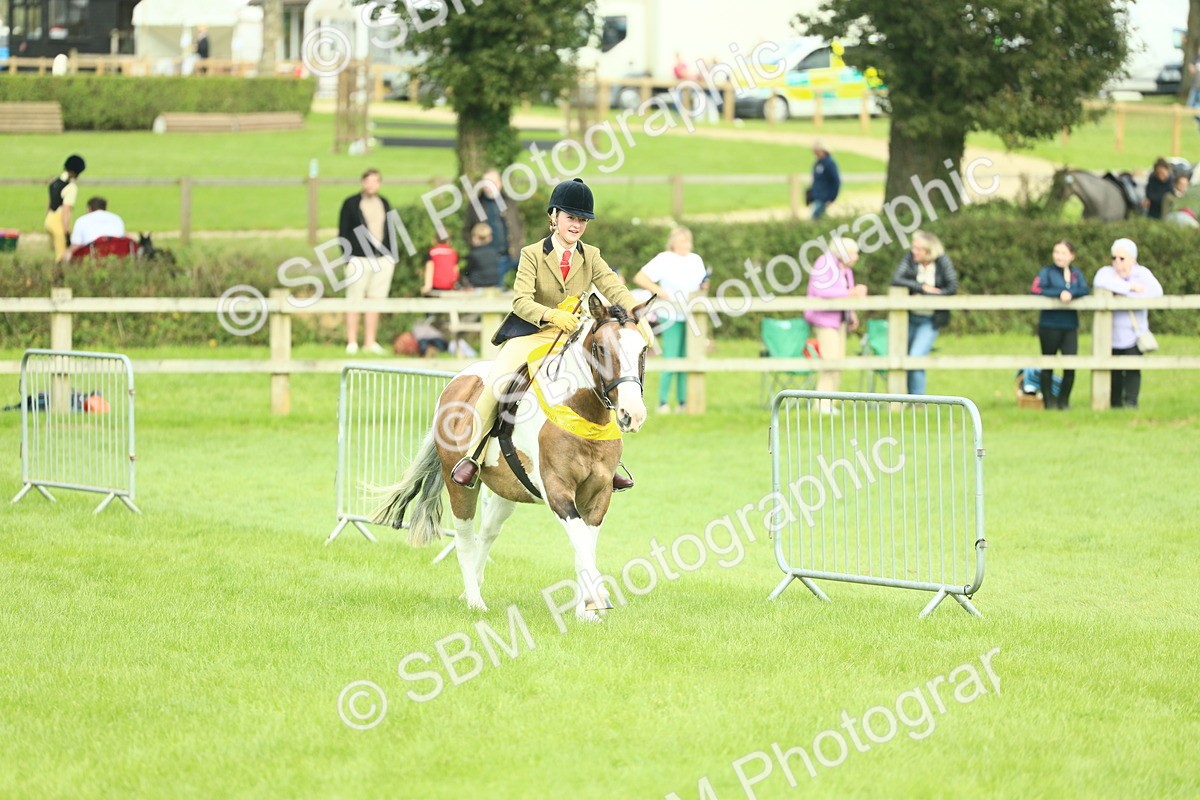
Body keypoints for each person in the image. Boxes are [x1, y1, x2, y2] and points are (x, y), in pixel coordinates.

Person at [450, 177, 642, 491]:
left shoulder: (590, 255)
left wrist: (639, 312)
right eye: (571, 218)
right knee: (497, 384)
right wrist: (552, 315)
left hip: (573, 339)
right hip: (534, 335)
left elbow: (614, 288)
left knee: (607, 383)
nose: (577, 225)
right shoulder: (531, 254)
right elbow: (520, 301)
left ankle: (612, 462)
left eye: (582, 220)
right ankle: (473, 454)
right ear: (553, 216)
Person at [633, 226, 708, 414]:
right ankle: (663, 401)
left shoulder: (695, 259)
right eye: (682, 241)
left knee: (688, 358)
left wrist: (705, 285)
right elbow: (641, 278)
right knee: (671, 357)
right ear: (674, 242)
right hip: (671, 314)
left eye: (688, 241)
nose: (686, 245)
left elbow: (702, 283)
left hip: (691, 315)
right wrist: (661, 293)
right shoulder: (664, 259)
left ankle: (683, 402)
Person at [1093, 238, 1163, 409]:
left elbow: (1156, 292)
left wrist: (1123, 296)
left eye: (1122, 259)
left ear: (1132, 259)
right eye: (1114, 258)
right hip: (1110, 335)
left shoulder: (1143, 273)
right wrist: (1130, 287)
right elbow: (1099, 282)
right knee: (1114, 371)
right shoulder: (1106, 272)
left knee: (1132, 369)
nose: (1117, 262)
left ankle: (1131, 403)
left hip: (1134, 333)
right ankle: (1115, 404)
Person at [890, 230, 959, 395]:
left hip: (930, 320)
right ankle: (906, 399)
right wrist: (921, 287)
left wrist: (930, 295)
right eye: (914, 247)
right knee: (903, 358)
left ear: (929, 251)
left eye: (918, 248)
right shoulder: (909, 259)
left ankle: (917, 402)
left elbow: (952, 287)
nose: (914, 251)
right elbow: (896, 279)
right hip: (908, 318)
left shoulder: (942, 262)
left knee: (915, 358)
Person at [805, 237, 867, 413]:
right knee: (830, 361)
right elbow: (822, 290)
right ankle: (822, 404)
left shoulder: (845, 269)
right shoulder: (823, 263)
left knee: (838, 362)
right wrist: (851, 293)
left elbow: (847, 294)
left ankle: (831, 402)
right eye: (854, 253)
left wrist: (851, 312)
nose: (856, 257)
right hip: (824, 320)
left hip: (839, 320)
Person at [338, 169, 396, 355]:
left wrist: (391, 256)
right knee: (354, 300)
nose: (372, 184)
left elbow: (390, 230)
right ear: (362, 182)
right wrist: (348, 258)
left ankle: (370, 342)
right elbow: (343, 232)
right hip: (358, 258)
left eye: (375, 181)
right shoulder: (351, 203)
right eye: (368, 181)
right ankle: (352, 342)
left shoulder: (384, 202)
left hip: (382, 259)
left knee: (375, 300)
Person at [1030, 240, 1089, 410]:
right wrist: (1058, 294)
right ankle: (1049, 402)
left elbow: (1084, 289)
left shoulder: (1076, 274)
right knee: (1048, 363)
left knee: (1070, 365)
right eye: (1056, 252)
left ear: (1071, 256)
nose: (1058, 256)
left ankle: (1064, 401)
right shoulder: (1046, 272)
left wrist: (1071, 293)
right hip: (1049, 325)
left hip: (1070, 326)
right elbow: (1036, 289)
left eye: (1063, 253)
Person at [462, 169, 524, 288]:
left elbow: (519, 225)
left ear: (499, 184)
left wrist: (520, 242)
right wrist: (474, 244)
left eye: (491, 182)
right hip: (490, 259)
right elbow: (466, 230)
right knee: (493, 296)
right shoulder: (476, 205)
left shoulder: (509, 202)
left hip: (513, 254)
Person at [46, 154, 85, 260]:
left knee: (55, 253)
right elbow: (66, 210)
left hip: (49, 219)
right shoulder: (71, 187)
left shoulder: (54, 181)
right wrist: (67, 231)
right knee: (62, 257)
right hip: (58, 221)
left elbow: (49, 203)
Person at [463, 223, 500, 289]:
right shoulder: (494, 252)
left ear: (475, 238)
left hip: (478, 284)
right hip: (494, 283)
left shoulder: (473, 254)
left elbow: (467, 272)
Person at [810, 142, 840, 220]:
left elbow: (835, 181)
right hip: (817, 196)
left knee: (815, 217)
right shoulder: (817, 163)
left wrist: (832, 197)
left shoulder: (830, 163)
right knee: (820, 218)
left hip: (824, 197)